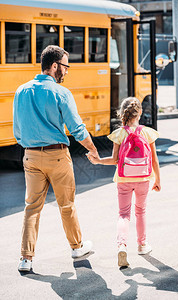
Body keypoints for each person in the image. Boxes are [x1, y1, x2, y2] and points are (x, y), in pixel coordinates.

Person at [13, 45, 99, 272]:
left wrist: (32, 147)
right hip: (58, 156)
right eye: (65, 66)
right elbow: (77, 129)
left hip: (30, 156)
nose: (67, 71)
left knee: (31, 208)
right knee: (67, 205)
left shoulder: (21, 91)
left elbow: (18, 132)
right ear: (54, 66)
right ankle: (77, 247)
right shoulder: (61, 93)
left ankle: (26, 259)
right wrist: (93, 150)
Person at [87, 97, 161, 267]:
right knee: (140, 211)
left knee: (123, 214)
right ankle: (142, 245)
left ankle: (122, 245)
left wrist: (97, 161)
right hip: (143, 178)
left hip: (123, 179)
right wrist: (157, 179)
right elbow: (155, 160)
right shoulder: (147, 132)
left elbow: (115, 160)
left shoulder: (119, 133)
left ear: (122, 114)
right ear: (140, 112)